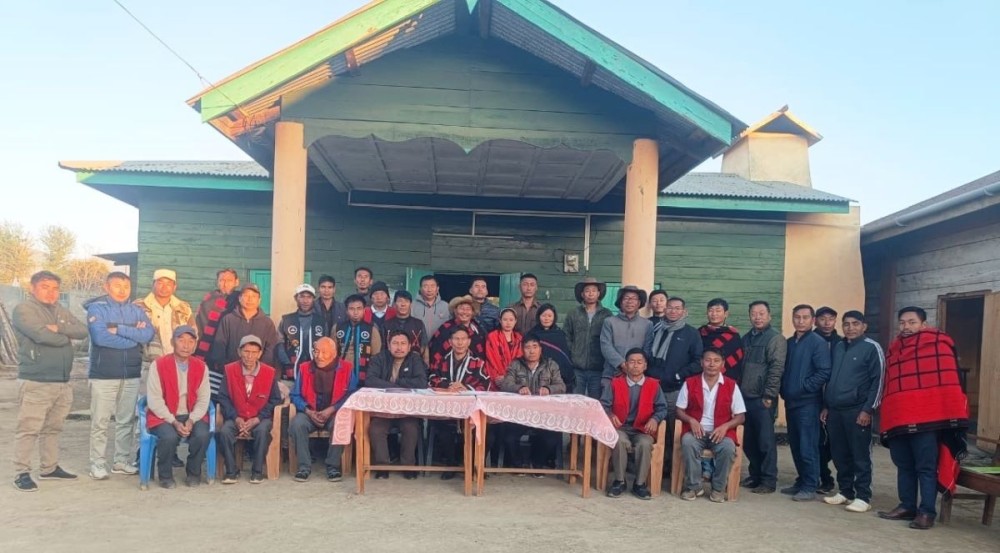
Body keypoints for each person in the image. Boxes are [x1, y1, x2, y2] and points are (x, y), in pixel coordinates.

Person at [876, 306, 969, 530]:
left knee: (925, 467)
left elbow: (947, 382)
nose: (906, 327)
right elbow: (892, 384)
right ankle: (907, 505)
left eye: (912, 322)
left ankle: (926, 512)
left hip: (927, 420)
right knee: (904, 465)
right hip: (899, 417)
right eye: (903, 322)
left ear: (923, 324)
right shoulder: (894, 349)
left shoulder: (938, 345)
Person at [11, 271, 88, 492]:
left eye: (55, 288)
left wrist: (61, 328)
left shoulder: (60, 310)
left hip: (62, 381)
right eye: (45, 286)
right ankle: (21, 472)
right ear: (32, 288)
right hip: (37, 380)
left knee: (53, 428)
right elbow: (41, 336)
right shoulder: (24, 310)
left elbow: (82, 331)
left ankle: (49, 467)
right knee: (29, 428)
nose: (51, 292)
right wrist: (66, 337)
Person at [84, 272, 154, 480]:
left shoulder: (136, 310)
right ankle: (97, 463)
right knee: (101, 421)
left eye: (126, 286)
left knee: (126, 420)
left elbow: (148, 334)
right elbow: (100, 337)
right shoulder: (97, 309)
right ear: (107, 287)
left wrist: (120, 329)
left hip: (131, 373)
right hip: (104, 374)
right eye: (117, 285)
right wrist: (133, 336)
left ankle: (121, 461)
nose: (122, 290)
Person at [821, 311, 884, 513]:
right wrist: (827, 405)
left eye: (855, 324)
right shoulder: (839, 347)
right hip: (835, 410)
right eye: (846, 324)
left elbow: (879, 381)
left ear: (864, 326)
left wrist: (868, 409)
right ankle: (846, 491)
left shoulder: (872, 348)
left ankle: (863, 495)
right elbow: (831, 379)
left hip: (858, 410)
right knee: (840, 453)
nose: (850, 328)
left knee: (860, 454)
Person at [676, 348, 747, 503]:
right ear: (702, 362)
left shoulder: (731, 385)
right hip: (696, 432)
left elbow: (741, 416)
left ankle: (718, 488)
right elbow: (679, 410)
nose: (711, 364)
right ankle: (694, 487)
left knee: (728, 448)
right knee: (688, 443)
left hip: (720, 432)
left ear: (722, 364)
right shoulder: (690, 383)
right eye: (708, 360)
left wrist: (725, 426)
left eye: (716, 361)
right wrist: (691, 420)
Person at [144, 326, 211, 488]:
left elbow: (203, 399)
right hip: (164, 415)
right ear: (172, 342)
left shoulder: (201, 366)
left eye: (190, 341)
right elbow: (154, 400)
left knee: (202, 435)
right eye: (181, 340)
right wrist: (173, 421)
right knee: (169, 437)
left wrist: (192, 420)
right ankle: (165, 476)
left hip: (191, 414)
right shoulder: (158, 365)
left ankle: (194, 473)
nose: (186, 345)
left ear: (195, 344)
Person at [600, 348, 668, 500]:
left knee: (644, 444)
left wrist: (655, 419)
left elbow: (662, 408)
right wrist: (610, 415)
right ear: (625, 365)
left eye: (639, 362)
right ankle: (619, 481)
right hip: (621, 427)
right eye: (632, 362)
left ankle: (640, 484)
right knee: (619, 441)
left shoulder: (654, 385)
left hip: (643, 429)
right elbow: (603, 405)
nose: (635, 365)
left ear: (645, 366)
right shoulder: (615, 383)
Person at [643, 296, 702, 470]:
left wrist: (678, 375)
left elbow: (698, 361)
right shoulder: (655, 329)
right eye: (670, 307)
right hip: (652, 386)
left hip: (674, 389)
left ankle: (669, 468)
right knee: (650, 425)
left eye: (677, 308)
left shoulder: (691, 333)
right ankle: (650, 466)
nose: (673, 311)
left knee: (670, 428)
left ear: (684, 312)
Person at [780, 304, 831, 501]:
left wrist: (803, 387)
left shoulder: (817, 342)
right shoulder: (790, 342)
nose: (800, 321)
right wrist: (785, 389)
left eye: (805, 317)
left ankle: (810, 485)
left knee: (808, 444)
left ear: (813, 320)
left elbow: (824, 371)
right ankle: (801, 480)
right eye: (797, 317)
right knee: (795, 444)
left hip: (808, 402)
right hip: (791, 401)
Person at [217, 335, 282, 484]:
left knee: (262, 431)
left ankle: (257, 471)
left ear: (260, 354)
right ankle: (231, 471)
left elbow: (275, 399)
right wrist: (236, 417)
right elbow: (223, 397)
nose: (249, 356)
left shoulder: (269, 372)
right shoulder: (229, 370)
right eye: (246, 351)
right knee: (225, 431)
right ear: (239, 352)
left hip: (260, 418)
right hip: (236, 416)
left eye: (254, 352)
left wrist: (258, 418)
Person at [365, 331, 429, 479]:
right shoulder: (379, 358)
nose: (399, 347)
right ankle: (382, 467)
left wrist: (397, 383)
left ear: (409, 346)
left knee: (411, 428)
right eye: (395, 343)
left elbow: (421, 382)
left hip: (407, 410)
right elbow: (370, 380)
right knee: (375, 429)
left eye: (402, 344)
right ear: (388, 345)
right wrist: (394, 385)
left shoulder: (415, 359)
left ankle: (408, 466)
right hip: (383, 410)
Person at [428, 327, 490, 479]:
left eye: (463, 339)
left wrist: (465, 387)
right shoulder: (441, 360)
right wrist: (449, 385)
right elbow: (431, 379)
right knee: (443, 429)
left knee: (486, 432)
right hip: (447, 410)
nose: (460, 342)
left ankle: (472, 465)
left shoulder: (478, 362)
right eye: (456, 339)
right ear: (450, 342)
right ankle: (451, 464)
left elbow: (485, 384)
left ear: (469, 342)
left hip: (471, 411)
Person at [288, 337, 353, 483]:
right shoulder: (305, 368)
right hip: (310, 412)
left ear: (334, 353)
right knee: (297, 424)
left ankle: (333, 466)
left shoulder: (347, 368)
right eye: (316, 351)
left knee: (340, 423)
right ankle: (304, 466)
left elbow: (351, 394)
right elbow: (294, 395)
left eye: (324, 352)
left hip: (333, 413)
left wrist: (332, 409)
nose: (319, 356)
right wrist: (308, 411)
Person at [739, 300, 786, 494]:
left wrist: (769, 394)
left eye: (761, 313)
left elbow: (776, 368)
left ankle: (768, 480)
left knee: (765, 441)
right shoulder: (746, 338)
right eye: (753, 314)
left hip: (762, 398)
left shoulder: (775, 339)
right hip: (744, 397)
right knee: (748, 440)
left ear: (769, 316)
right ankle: (755, 474)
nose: (757, 317)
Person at [500, 336, 566, 472]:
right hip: (519, 414)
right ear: (522, 350)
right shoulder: (515, 364)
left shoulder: (550, 364)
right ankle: (519, 465)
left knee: (551, 439)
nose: (531, 351)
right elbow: (506, 384)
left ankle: (537, 463)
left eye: (535, 347)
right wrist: (518, 388)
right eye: (527, 347)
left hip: (544, 414)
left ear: (541, 349)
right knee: (509, 437)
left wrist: (549, 389)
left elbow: (561, 386)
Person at [209, 284, 281, 400]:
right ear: (239, 298)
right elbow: (219, 346)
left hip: (257, 375)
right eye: (246, 295)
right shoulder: (228, 319)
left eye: (254, 296)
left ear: (259, 300)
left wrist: (258, 370)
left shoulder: (267, 323)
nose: (250, 299)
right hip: (232, 375)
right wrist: (229, 369)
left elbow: (270, 349)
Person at [135, 269, 196, 371]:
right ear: (153, 284)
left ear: (174, 287)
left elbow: (194, 334)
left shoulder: (183, 308)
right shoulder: (138, 306)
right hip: (147, 365)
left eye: (169, 284)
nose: (164, 287)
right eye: (160, 283)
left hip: (177, 364)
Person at [564, 277, 613, 399]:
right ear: (582, 294)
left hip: (598, 367)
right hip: (577, 367)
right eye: (587, 291)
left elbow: (611, 338)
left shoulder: (607, 314)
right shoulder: (573, 313)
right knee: (575, 400)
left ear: (598, 293)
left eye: (593, 290)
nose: (590, 294)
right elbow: (566, 335)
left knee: (595, 401)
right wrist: (573, 353)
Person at [814, 305, 841, 494]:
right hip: (813, 397)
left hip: (835, 399)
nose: (826, 323)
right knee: (815, 441)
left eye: (830, 319)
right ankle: (821, 477)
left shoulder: (841, 343)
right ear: (816, 320)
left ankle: (836, 481)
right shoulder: (810, 340)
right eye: (822, 319)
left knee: (832, 442)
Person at [600, 286, 652, 385]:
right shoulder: (609, 322)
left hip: (637, 375)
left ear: (639, 303)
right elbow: (606, 346)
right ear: (620, 302)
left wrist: (636, 366)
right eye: (626, 298)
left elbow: (647, 348)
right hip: (611, 374)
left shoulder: (647, 324)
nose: (630, 301)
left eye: (634, 298)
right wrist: (622, 364)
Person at [277, 284, 327, 382]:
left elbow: (326, 346)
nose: (305, 301)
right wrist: (287, 363)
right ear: (296, 298)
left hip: (315, 371)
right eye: (302, 297)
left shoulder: (321, 321)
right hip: (290, 371)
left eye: (309, 297)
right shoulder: (286, 320)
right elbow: (279, 344)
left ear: (314, 299)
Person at [333, 294, 383, 390]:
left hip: (364, 374)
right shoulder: (337, 327)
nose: (355, 312)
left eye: (359, 309)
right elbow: (332, 353)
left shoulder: (372, 329)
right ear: (347, 311)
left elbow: (376, 356)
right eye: (351, 309)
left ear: (364, 310)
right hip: (340, 373)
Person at [428, 295, 486, 368]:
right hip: (448, 371)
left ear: (472, 312)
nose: (465, 312)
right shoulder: (445, 328)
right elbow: (435, 352)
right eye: (461, 308)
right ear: (455, 311)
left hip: (474, 371)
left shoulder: (478, 329)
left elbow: (482, 354)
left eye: (468, 309)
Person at [526, 304, 574, 390]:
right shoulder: (531, 334)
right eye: (544, 315)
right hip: (537, 378)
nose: (546, 318)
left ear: (554, 317)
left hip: (558, 378)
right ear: (538, 317)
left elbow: (564, 357)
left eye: (549, 316)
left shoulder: (560, 335)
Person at [195, 268, 240, 360]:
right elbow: (199, 323)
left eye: (229, 280)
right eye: (222, 280)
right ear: (217, 282)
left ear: (236, 282)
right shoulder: (209, 299)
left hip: (234, 344)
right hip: (209, 344)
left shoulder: (240, 299)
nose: (225, 284)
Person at [697, 298, 745, 381]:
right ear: (707, 313)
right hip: (701, 379)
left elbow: (736, 360)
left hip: (725, 380)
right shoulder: (700, 333)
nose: (714, 314)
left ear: (726, 314)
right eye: (711, 310)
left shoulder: (733, 335)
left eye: (718, 311)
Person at [382, 290, 428, 359]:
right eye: (400, 301)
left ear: (411, 305)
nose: (403, 304)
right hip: (391, 364)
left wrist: (425, 367)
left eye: (406, 301)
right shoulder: (386, 325)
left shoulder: (419, 324)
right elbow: (382, 349)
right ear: (394, 304)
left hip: (414, 365)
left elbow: (424, 348)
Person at [484, 308, 522, 389]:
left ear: (515, 321)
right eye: (505, 319)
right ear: (500, 321)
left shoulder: (519, 338)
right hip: (497, 377)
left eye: (511, 320)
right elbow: (492, 360)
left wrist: (510, 378)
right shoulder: (492, 337)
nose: (508, 323)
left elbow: (520, 360)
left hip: (515, 379)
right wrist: (500, 377)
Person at [411, 275, 450, 344]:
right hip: (418, 346)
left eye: (432, 286)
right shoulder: (412, 306)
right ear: (420, 288)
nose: (429, 290)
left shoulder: (446, 306)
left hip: (440, 347)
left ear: (437, 288)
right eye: (425, 286)